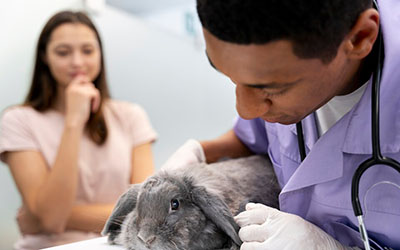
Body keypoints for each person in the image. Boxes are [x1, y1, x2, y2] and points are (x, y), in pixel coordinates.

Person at [163, 0, 400, 249]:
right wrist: (201, 151)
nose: (245, 109)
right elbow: (251, 138)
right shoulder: (283, 65)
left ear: (360, 38)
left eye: (270, 89)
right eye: (230, 78)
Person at [0, 11, 157, 250]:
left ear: (100, 54)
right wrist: (73, 121)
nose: (77, 62)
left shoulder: (130, 116)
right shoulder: (18, 120)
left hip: (116, 245)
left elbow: (146, 212)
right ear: (45, 56)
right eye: (63, 52)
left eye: (87, 51)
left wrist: (44, 218)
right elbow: (52, 219)